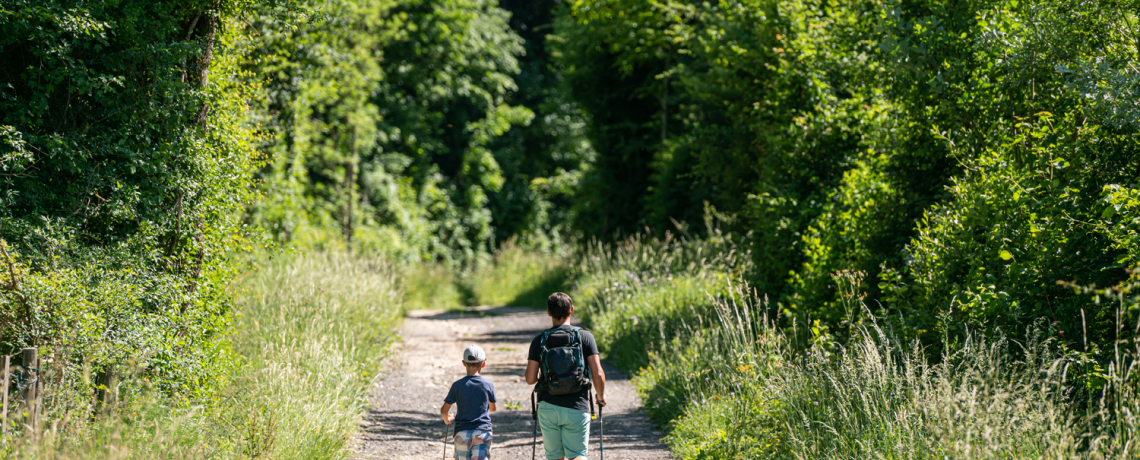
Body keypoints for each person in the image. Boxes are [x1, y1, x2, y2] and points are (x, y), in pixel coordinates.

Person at [526, 292, 607, 460]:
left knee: (555, 456)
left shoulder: (539, 340)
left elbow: (530, 379)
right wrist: (600, 397)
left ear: (548, 312)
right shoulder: (585, 337)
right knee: (577, 455)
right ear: (572, 310)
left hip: (548, 405)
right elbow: (598, 373)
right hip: (577, 404)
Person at [442, 345, 498, 460]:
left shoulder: (457, 385)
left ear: (464, 363)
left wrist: (447, 419)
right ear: (483, 364)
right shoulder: (488, 385)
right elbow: (493, 408)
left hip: (462, 432)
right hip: (482, 432)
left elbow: (444, 410)